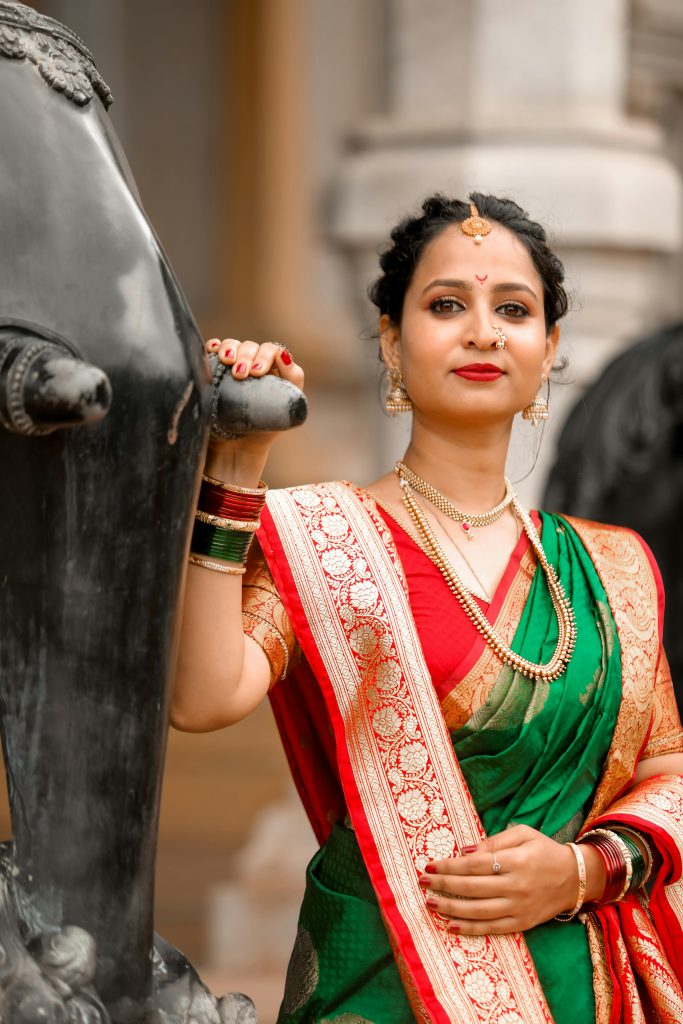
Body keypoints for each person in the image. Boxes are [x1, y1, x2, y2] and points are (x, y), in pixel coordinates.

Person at [171, 193, 683, 1024]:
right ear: (391, 341)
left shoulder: (609, 565)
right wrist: (235, 464)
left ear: (547, 348)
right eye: (446, 305)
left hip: (572, 983)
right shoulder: (319, 536)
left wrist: (585, 871)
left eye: (512, 310)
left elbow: (669, 774)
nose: (482, 331)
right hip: (375, 976)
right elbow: (201, 697)